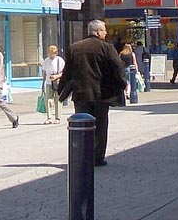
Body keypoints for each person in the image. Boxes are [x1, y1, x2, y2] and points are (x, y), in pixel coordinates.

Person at [55, 20, 126, 167]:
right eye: (104, 30)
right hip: (102, 94)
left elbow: (67, 72)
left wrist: (60, 89)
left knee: (82, 126)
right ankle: (97, 158)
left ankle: (83, 156)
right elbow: (118, 66)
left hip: (81, 94)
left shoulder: (75, 48)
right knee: (100, 127)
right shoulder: (106, 48)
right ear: (98, 31)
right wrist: (122, 84)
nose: (106, 33)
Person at [41, 45, 65, 124]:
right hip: (48, 82)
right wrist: (43, 82)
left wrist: (56, 76)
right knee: (47, 99)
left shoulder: (60, 60)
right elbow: (44, 72)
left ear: (56, 53)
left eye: (53, 53)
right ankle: (49, 117)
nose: (51, 55)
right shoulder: (46, 60)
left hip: (58, 82)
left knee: (58, 100)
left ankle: (57, 117)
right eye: (50, 53)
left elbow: (64, 72)